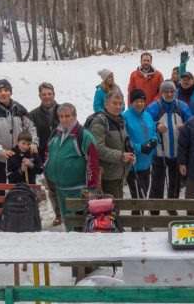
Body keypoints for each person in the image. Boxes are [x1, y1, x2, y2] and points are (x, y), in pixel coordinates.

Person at [43, 103, 100, 231]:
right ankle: (70, 247)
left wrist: (91, 188)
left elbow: (93, 162)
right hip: (60, 188)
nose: (64, 119)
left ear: (75, 116)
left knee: (78, 225)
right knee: (67, 223)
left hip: (78, 190)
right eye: (61, 116)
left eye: (67, 116)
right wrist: (47, 167)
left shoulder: (83, 135)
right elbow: (48, 152)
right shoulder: (55, 134)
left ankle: (79, 249)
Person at [0, 79, 38, 190]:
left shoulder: (20, 110)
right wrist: (1, 152)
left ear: (10, 92)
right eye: (0, 90)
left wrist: (33, 143)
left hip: (18, 157)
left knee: (20, 189)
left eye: (6, 90)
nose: (3, 93)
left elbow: (31, 128)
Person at [145, 81, 192, 213]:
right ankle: (154, 211)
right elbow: (146, 125)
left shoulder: (182, 106)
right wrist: (156, 126)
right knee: (157, 184)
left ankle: (172, 208)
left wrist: (186, 127)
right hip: (159, 153)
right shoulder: (154, 108)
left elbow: (192, 123)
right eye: (166, 92)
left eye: (172, 91)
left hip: (177, 152)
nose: (170, 94)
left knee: (175, 183)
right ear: (161, 93)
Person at [88, 91, 135, 197]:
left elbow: (124, 141)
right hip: (106, 176)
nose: (118, 106)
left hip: (119, 173)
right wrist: (122, 156)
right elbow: (97, 149)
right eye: (115, 103)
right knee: (111, 211)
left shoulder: (120, 120)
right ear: (106, 104)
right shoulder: (100, 122)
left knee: (116, 208)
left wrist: (130, 152)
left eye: (121, 103)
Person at [29, 82, 62, 225]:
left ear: (54, 94)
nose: (47, 97)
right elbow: (31, 135)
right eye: (44, 94)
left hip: (63, 154)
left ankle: (71, 213)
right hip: (45, 156)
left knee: (66, 185)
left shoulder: (63, 110)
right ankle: (59, 214)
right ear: (40, 96)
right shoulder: (33, 114)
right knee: (52, 187)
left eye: (49, 94)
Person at [123, 89, 158, 222]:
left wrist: (154, 140)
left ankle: (141, 222)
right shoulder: (125, 117)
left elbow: (153, 130)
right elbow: (125, 139)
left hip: (147, 163)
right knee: (137, 197)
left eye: (142, 101)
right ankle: (137, 225)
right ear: (131, 102)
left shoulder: (147, 115)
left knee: (143, 194)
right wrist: (139, 147)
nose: (139, 103)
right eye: (136, 101)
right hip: (134, 165)